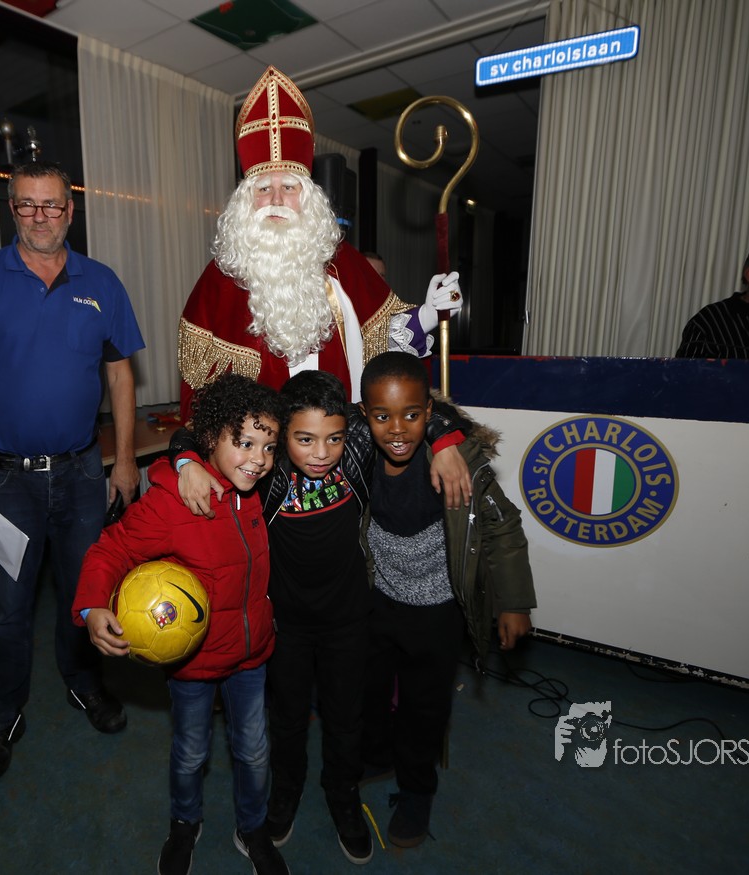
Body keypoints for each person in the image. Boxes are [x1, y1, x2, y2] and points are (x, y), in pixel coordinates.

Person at [170, 370, 471, 864]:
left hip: (349, 621)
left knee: (345, 717)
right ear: (282, 434)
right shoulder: (265, 471)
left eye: (333, 438)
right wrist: (186, 462)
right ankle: (285, 792)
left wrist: (445, 442)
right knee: (286, 719)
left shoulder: (355, 448)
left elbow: (410, 417)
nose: (321, 452)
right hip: (285, 625)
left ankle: (342, 795)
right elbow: (195, 432)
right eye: (304, 439)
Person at [0, 161, 145, 786]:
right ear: (11, 209)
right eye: (27, 204)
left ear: (70, 211)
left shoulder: (102, 282)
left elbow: (121, 377)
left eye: (51, 205)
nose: (40, 216)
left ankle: (84, 683)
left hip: (82, 475)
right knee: (8, 609)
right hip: (8, 482)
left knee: (86, 593)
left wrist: (124, 459)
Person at [74, 374, 289, 875]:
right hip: (193, 663)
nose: (258, 459)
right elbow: (110, 550)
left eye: (268, 447)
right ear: (211, 438)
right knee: (191, 753)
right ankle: (184, 825)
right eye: (244, 443)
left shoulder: (260, 491)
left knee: (254, 751)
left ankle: (253, 828)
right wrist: (92, 607)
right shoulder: (174, 501)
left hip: (252, 654)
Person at [177, 66, 463, 418]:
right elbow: (198, 393)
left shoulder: (341, 260)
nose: (277, 199)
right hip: (258, 448)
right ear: (246, 200)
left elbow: (382, 340)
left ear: (308, 198)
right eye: (264, 188)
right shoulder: (218, 278)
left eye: (289, 187)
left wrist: (431, 313)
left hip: (339, 436)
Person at [358, 351, 536, 848]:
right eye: (382, 415)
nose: (397, 429)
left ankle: (417, 790)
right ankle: (378, 755)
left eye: (412, 415)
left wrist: (514, 603)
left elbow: (502, 528)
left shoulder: (460, 463)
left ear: (429, 412)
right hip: (379, 599)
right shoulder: (357, 449)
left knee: (424, 708)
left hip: (437, 611)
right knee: (368, 690)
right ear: (365, 414)